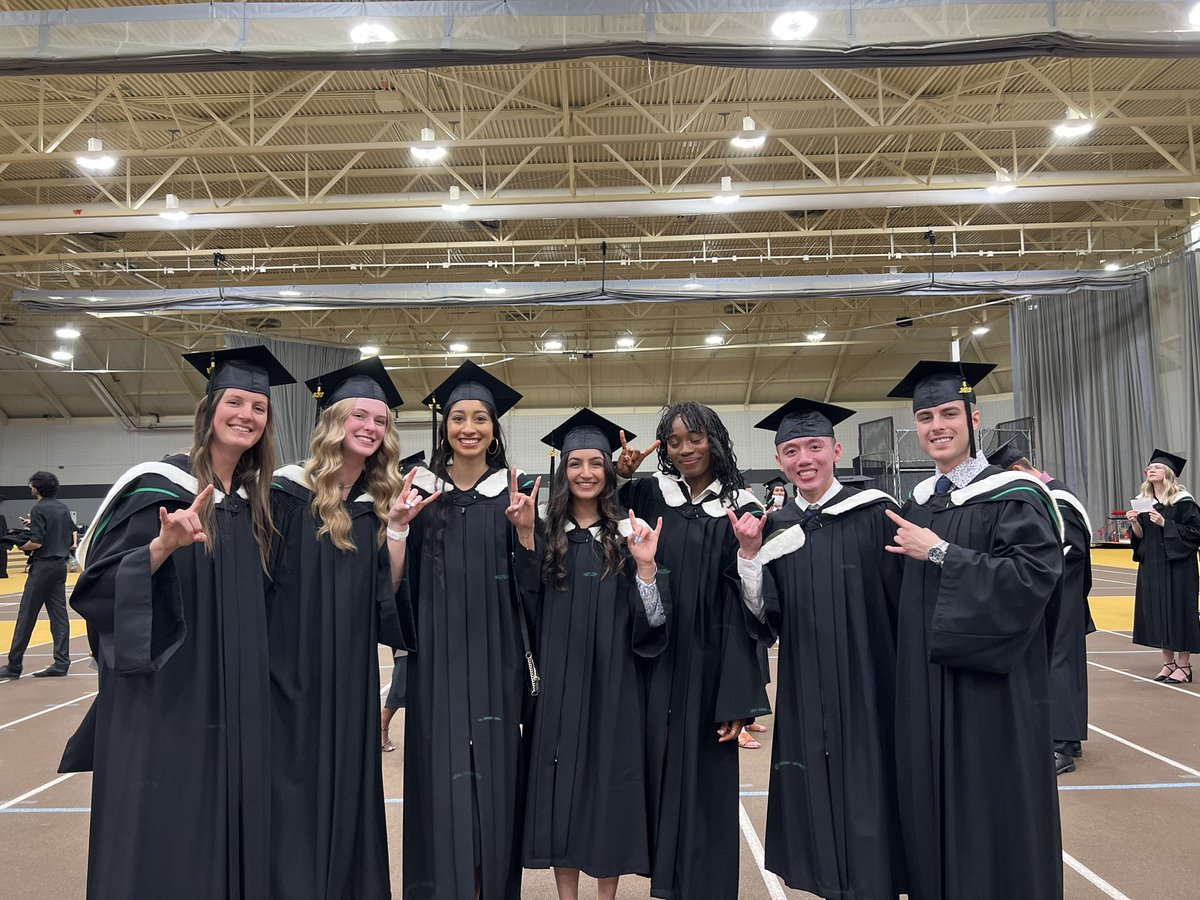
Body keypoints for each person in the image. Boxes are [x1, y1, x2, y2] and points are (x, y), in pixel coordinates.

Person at [60, 345, 294, 899]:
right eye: (235, 402)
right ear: (209, 410)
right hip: (168, 700)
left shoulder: (255, 504)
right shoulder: (157, 486)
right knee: (166, 823)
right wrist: (159, 549)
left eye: (258, 407)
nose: (247, 415)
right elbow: (96, 589)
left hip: (233, 701)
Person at [885, 360, 1065, 900]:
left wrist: (939, 552)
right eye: (924, 417)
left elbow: (1035, 577)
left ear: (974, 418)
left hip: (992, 689)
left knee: (989, 797)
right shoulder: (918, 501)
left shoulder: (1013, 494)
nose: (936, 426)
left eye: (947, 414)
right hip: (926, 679)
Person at [266, 357, 429, 899]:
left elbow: (388, 590)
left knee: (351, 783)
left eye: (380, 421)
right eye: (360, 415)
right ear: (335, 421)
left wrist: (400, 530)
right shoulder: (287, 494)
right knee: (292, 784)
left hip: (351, 670)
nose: (371, 427)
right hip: (288, 670)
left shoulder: (379, 504)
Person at [731, 397, 906, 899]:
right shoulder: (779, 529)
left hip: (873, 677)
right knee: (815, 779)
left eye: (814, 447)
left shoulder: (877, 513)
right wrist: (748, 555)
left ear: (836, 449)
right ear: (780, 460)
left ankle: (876, 880)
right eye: (791, 450)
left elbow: (905, 600)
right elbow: (766, 613)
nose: (803, 458)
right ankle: (830, 881)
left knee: (872, 781)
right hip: (808, 679)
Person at [512, 409, 669, 900]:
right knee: (562, 793)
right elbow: (525, 609)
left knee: (607, 793)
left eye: (595, 463)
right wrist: (522, 539)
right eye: (575, 463)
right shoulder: (543, 534)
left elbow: (654, 619)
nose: (585, 472)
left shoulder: (629, 536)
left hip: (614, 686)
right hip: (558, 684)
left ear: (608, 471)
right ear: (564, 472)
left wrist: (646, 571)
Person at [618, 402, 769, 900]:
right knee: (654, 780)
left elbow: (750, 607)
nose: (685, 450)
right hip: (653, 662)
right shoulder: (645, 493)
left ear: (715, 440)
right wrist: (620, 477)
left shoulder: (742, 508)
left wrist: (738, 699)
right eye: (675, 440)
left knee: (706, 787)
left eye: (695, 438)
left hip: (710, 669)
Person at [401, 360, 532, 900]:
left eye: (481, 418)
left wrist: (526, 534)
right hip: (437, 664)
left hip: (497, 661)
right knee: (440, 790)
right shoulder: (418, 491)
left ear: (495, 429)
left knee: (494, 793)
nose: (469, 428)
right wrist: (396, 528)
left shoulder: (516, 493)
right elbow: (397, 584)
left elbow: (534, 586)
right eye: (458, 417)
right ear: (444, 426)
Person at [988, 439, 1095, 774]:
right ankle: (1068, 738)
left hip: (1059, 597)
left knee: (1059, 667)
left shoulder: (1058, 500)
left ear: (1018, 471)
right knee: (1059, 667)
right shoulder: (1052, 495)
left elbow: (1070, 550)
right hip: (1056, 596)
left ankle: (1060, 747)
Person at [1125, 449, 1200, 684]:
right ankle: (1168, 664)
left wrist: (1166, 523)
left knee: (1179, 612)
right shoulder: (1145, 501)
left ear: (1168, 473)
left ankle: (1184, 666)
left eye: (1156, 467)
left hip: (1178, 567)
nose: (1151, 469)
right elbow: (1141, 537)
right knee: (1158, 611)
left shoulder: (1183, 502)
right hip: (1153, 566)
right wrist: (1135, 523)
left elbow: (1195, 533)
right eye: (1149, 467)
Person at [0, 472, 77, 679]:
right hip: (60, 566)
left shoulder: (39, 508)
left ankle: (14, 665)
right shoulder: (62, 508)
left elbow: (36, 543)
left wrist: (15, 541)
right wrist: (33, 525)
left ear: (37, 487)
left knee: (26, 616)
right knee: (59, 616)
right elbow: (71, 539)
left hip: (42, 566)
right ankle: (62, 663)